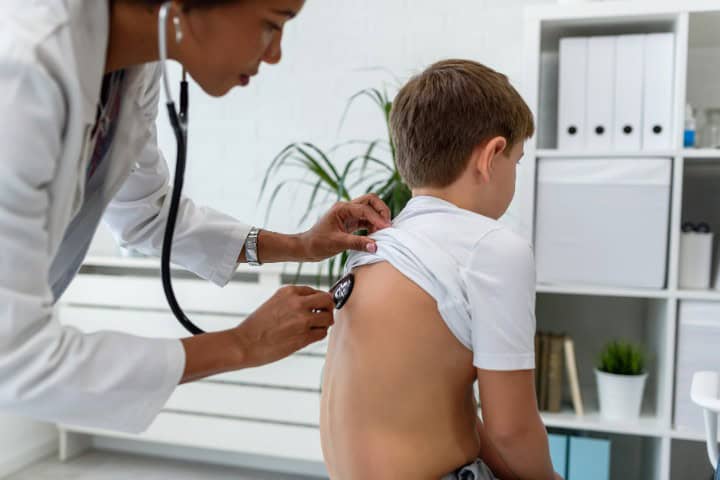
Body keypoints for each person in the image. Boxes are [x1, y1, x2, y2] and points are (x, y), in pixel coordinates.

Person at [0, 0, 391, 434]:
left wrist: (301, 245)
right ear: (181, 8)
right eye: (271, 25)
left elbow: (148, 216)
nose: (275, 52)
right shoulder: (22, 72)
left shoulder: (132, 70)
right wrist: (241, 345)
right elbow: (12, 354)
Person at [320, 59, 561, 479]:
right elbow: (513, 428)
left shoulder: (375, 247)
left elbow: (461, 416)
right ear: (491, 157)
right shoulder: (491, 248)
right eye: (516, 162)